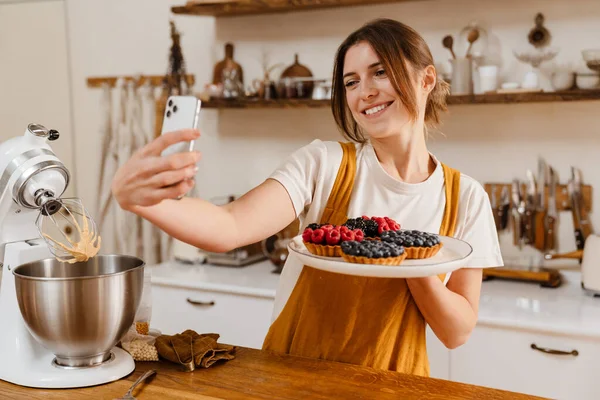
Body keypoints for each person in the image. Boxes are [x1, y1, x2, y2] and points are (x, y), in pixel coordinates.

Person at [111, 18, 503, 377]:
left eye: (380, 72)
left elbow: (456, 332)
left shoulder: (464, 197)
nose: (365, 92)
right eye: (351, 82)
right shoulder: (326, 164)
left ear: (426, 79)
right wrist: (143, 200)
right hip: (295, 377)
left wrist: (406, 259)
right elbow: (229, 225)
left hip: (397, 384)